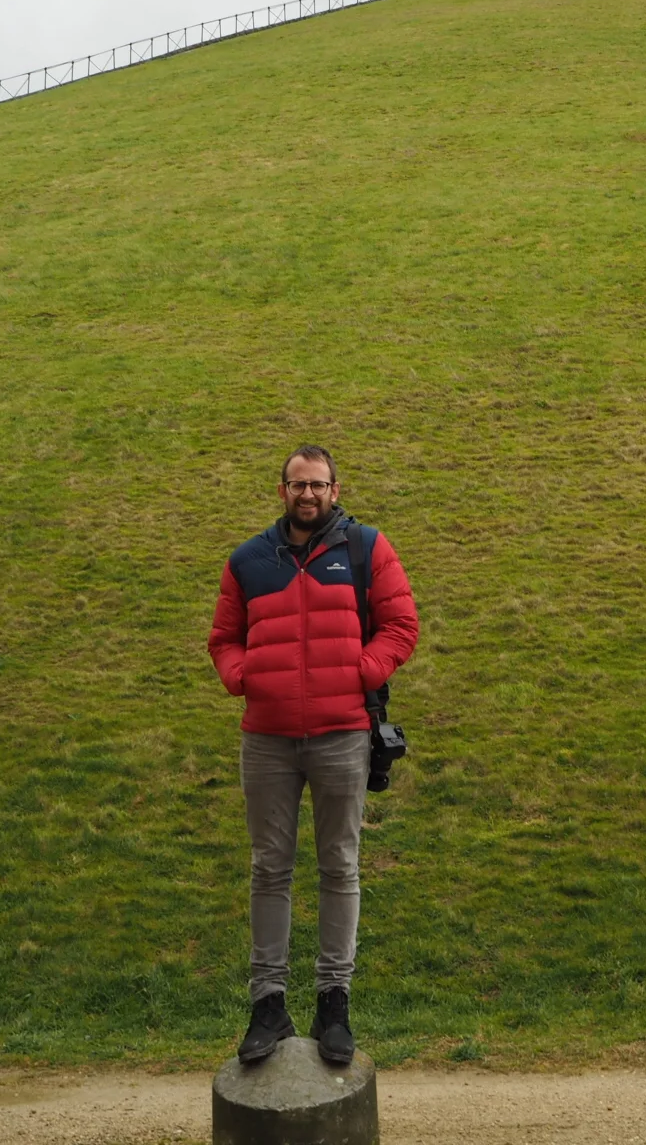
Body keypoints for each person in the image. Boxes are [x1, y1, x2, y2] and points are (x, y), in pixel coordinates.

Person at [208, 445, 420, 1066]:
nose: (308, 495)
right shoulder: (248, 559)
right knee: (269, 869)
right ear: (282, 490)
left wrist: (362, 670)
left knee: (340, 867)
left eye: (318, 485)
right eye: (298, 485)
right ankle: (268, 1007)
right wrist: (243, 676)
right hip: (267, 738)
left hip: (342, 734)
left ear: (335, 487)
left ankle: (335, 1004)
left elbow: (401, 624)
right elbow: (222, 638)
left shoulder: (366, 548)